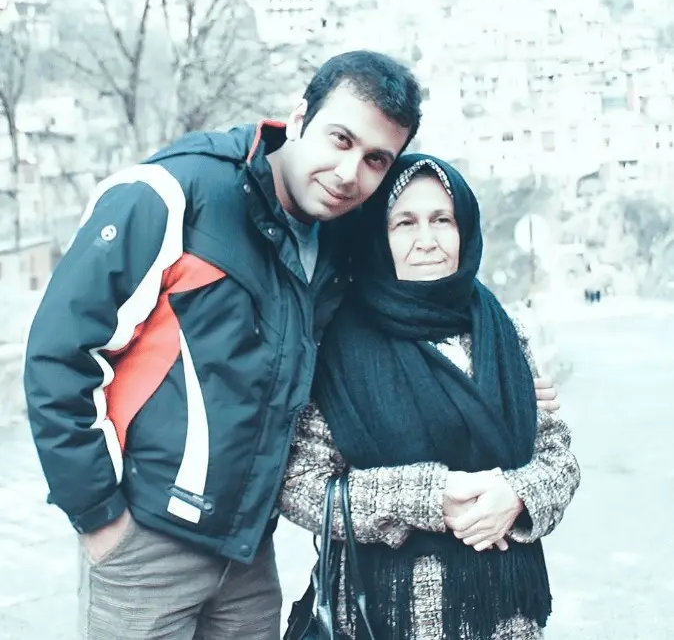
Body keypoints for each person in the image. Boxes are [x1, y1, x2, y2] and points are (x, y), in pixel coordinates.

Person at [22, 50, 422, 640]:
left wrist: (508, 375)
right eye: (340, 139)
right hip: (145, 544)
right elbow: (60, 356)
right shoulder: (176, 193)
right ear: (299, 117)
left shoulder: (341, 238)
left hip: (248, 554)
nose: (348, 173)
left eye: (375, 160)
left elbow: (416, 300)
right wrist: (99, 517)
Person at [280, 154, 580, 640]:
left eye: (442, 220)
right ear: (379, 236)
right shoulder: (337, 344)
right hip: (383, 618)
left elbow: (557, 456)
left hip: (505, 614)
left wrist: (517, 496)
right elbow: (300, 485)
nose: (427, 240)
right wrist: (429, 497)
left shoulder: (502, 332)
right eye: (405, 223)